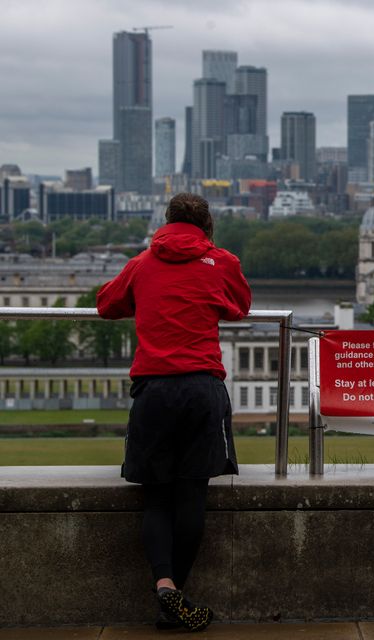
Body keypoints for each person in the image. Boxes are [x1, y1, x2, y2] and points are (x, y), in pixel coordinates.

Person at [97, 193, 251, 632]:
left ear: (166, 223)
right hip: (203, 388)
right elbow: (238, 307)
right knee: (191, 496)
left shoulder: (142, 263)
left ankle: (165, 586)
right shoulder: (222, 261)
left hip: (155, 391)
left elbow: (106, 305)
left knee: (157, 497)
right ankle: (173, 596)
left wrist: (144, 301)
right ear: (207, 227)